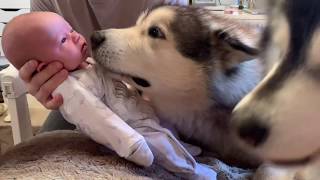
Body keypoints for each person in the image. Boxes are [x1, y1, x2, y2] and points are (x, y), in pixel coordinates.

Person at [2, 11, 217, 179]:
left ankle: (182, 148)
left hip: (144, 103)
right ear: (43, 65)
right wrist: (131, 143)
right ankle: (196, 172)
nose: (76, 36)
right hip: (130, 127)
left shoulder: (86, 64)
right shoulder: (70, 88)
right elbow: (97, 118)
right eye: (63, 40)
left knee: (168, 132)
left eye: (70, 29)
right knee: (162, 148)